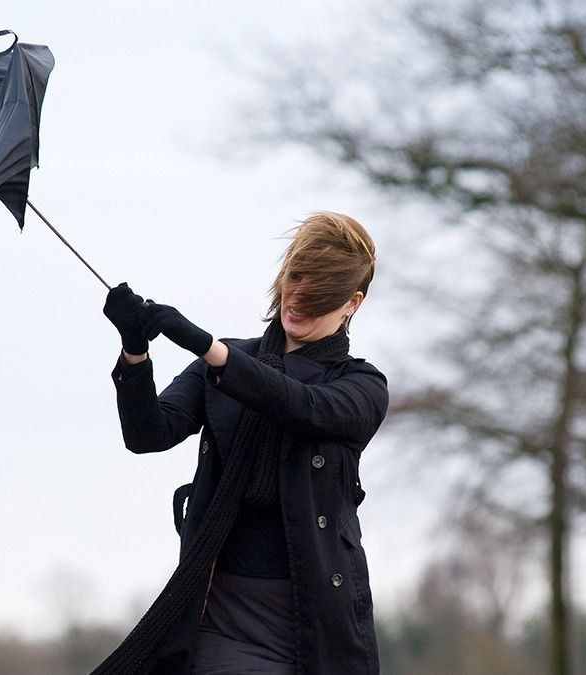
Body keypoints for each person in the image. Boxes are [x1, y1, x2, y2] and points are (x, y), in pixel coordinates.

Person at [96, 212, 388, 675]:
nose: (298, 300)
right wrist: (135, 351)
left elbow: (302, 405)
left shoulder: (361, 386)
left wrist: (208, 348)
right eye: (296, 281)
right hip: (223, 613)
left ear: (351, 303)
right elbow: (148, 434)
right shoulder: (227, 362)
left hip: (317, 622)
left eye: (318, 297)